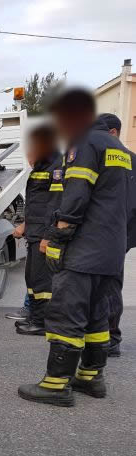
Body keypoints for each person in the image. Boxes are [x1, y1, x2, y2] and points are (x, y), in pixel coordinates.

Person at [18, 87, 130, 406]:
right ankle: (91, 377)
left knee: (67, 312)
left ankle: (56, 385)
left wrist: (56, 237)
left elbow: (76, 194)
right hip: (110, 252)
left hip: (83, 251)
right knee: (96, 316)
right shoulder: (123, 153)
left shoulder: (86, 143)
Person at [14, 120, 63, 336]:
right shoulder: (41, 168)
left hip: (44, 236)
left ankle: (42, 323)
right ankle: (35, 317)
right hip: (34, 234)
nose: (29, 156)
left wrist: (47, 236)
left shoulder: (56, 168)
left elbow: (56, 205)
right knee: (33, 279)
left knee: (43, 282)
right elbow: (36, 204)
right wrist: (25, 225)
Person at [97, 113, 135, 357]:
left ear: (113, 133)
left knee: (109, 286)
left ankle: (111, 338)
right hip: (115, 235)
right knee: (103, 286)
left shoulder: (121, 160)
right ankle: (103, 335)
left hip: (112, 235)